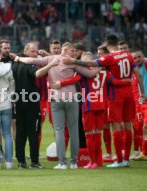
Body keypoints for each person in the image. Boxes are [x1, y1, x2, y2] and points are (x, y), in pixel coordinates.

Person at [62, 34, 145, 168]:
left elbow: (91, 65)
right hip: (128, 93)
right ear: (117, 43)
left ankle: (118, 160)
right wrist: (141, 93)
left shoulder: (108, 58)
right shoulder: (128, 55)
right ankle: (126, 159)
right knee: (128, 126)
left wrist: (74, 62)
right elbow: (138, 75)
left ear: (107, 45)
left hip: (113, 97)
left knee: (115, 127)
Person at [14, 42, 100, 169]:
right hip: (71, 99)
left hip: (56, 100)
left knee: (59, 131)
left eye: (75, 51)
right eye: (72, 51)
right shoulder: (72, 62)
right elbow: (90, 74)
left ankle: (62, 163)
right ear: (65, 50)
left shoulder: (51, 59)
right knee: (73, 130)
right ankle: (74, 162)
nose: (74, 54)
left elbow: (30, 60)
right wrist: (102, 66)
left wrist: (18, 58)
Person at [12, 42, 44, 169]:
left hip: (19, 102)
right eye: (33, 52)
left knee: (20, 133)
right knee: (33, 132)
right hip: (31, 103)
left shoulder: (15, 65)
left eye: (36, 52)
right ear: (26, 51)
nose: (35, 54)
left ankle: (21, 161)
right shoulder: (29, 64)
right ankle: (34, 161)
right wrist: (51, 64)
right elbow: (36, 74)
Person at [130, 48, 147, 161]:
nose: (137, 59)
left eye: (139, 56)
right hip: (143, 102)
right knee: (144, 128)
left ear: (143, 56)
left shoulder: (145, 65)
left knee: (145, 127)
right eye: (134, 58)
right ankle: (144, 153)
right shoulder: (135, 69)